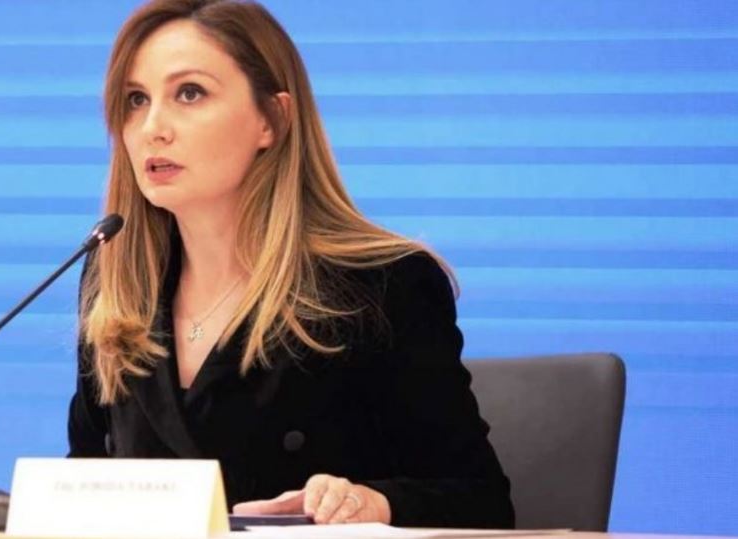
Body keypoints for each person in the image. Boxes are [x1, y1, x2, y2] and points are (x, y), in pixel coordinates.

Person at [68, 0, 514, 528]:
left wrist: (371, 503)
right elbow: (81, 486)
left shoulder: (380, 285)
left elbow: (481, 502)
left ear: (272, 119)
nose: (152, 127)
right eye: (136, 100)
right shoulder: (115, 284)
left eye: (189, 93)